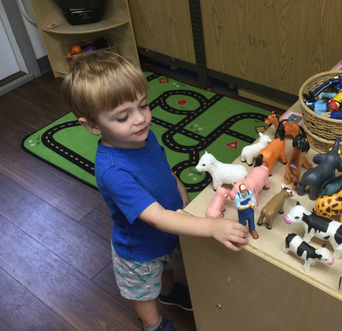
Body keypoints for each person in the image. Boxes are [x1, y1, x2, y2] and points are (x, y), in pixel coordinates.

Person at [60, 51, 249, 331]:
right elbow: (156, 217)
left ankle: (169, 292)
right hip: (140, 249)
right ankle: (154, 324)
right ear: (91, 125)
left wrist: (178, 186)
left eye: (143, 105)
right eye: (123, 116)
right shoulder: (113, 171)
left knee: (169, 265)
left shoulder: (143, 137)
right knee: (144, 291)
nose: (141, 119)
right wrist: (211, 228)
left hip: (170, 227)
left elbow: (162, 167)